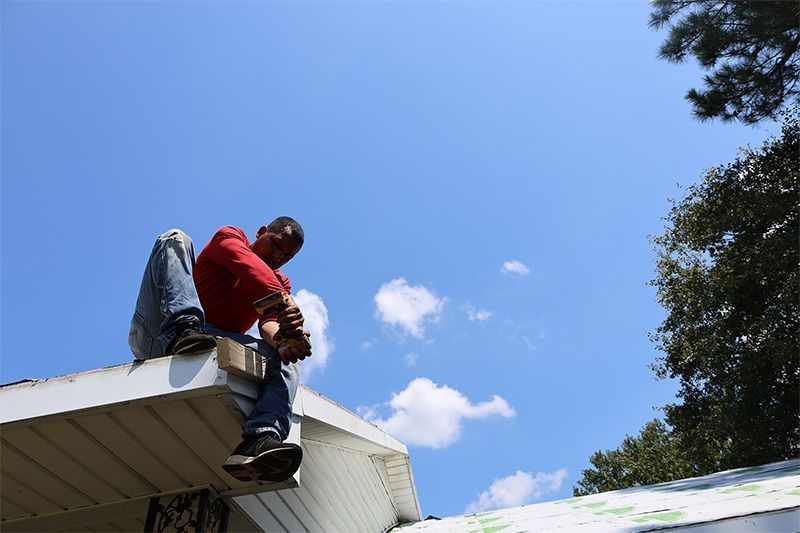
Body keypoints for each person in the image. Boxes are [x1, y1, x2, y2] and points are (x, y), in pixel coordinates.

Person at [128, 217, 312, 483]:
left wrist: (284, 338)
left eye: (287, 256)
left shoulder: (279, 284)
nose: (278, 257)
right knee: (175, 238)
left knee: (286, 356)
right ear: (261, 232)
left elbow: (268, 324)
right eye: (276, 245)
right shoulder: (230, 236)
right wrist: (284, 301)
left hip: (209, 341)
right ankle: (184, 328)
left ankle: (260, 438)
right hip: (160, 331)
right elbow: (249, 267)